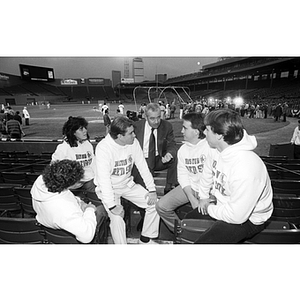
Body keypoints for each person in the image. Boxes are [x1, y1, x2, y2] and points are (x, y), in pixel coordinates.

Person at [184, 108, 273, 243]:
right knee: (188, 220)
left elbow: (237, 216)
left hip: (248, 219)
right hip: (224, 206)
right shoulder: (217, 149)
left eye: (207, 130)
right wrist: (203, 198)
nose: (203, 133)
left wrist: (209, 208)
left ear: (219, 135)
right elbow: (207, 172)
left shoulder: (247, 167)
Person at [94, 116, 160, 244]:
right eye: (131, 133)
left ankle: (145, 240)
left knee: (155, 204)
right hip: (109, 189)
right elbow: (104, 180)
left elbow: (142, 166)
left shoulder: (132, 142)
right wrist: (112, 206)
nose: (134, 135)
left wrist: (151, 189)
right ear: (119, 136)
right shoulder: (103, 148)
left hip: (127, 184)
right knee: (117, 218)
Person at [156, 112, 217, 232]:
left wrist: (206, 197)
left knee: (212, 216)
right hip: (191, 188)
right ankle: (183, 233)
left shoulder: (211, 147)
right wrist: (191, 198)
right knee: (161, 206)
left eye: (185, 128)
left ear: (196, 131)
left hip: (210, 190)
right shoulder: (183, 150)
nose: (182, 131)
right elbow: (183, 176)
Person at [31, 159, 107, 244]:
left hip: (49, 225)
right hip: (69, 236)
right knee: (102, 210)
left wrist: (79, 202)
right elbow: (87, 237)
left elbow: (65, 195)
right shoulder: (64, 208)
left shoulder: (41, 182)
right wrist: (89, 210)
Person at [133, 102, 178, 194]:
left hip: (159, 159)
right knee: (142, 191)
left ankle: (169, 187)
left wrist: (169, 153)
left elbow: (172, 144)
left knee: (175, 157)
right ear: (145, 117)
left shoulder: (166, 126)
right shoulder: (136, 127)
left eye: (158, 117)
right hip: (142, 160)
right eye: (152, 118)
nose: (156, 121)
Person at [51, 116, 96, 192]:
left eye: (85, 128)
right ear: (73, 132)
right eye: (81, 129)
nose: (85, 131)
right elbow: (54, 169)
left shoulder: (87, 144)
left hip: (90, 182)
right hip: (72, 186)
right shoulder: (63, 148)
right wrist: (69, 185)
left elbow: (93, 164)